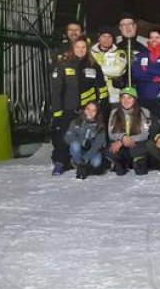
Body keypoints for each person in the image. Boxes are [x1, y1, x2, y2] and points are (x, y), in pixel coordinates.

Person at [50, 37, 106, 174]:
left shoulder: (93, 64)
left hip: (88, 110)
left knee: (89, 137)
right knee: (63, 138)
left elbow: (102, 88)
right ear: (72, 48)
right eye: (77, 47)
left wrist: (102, 106)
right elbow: (56, 91)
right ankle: (59, 163)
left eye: (83, 47)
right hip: (68, 109)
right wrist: (57, 113)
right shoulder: (63, 64)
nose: (80, 50)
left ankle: (86, 162)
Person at [107, 87, 152, 176]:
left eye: (129, 98)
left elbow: (145, 134)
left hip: (137, 144)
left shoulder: (144, 112)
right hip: (121, 146)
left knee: (141, 171)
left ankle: (138, 162)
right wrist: (123, 138)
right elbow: (110, 133)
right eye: (123, 97)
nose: (126, 100)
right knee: (109, 149)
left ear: (135, 99)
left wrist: (126, 140)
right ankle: (120, 163)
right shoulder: (114, 112)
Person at [130, 28, 160, 111]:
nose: (154, 40)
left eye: (157, 37)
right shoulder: (140, 55)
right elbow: (136, 75)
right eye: (151, 37)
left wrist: (147, 69)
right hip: (143, 95)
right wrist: (157, 77)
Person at [64, 101, 106, 179]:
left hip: (92, 151)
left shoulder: (100, 126)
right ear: (84, 110)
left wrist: (85, 158)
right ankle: (79, 164)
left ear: (97, 113)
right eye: (88, 109)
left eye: (93, 110)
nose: (90, 112)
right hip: (79, 150)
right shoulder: (76, 122)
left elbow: (98, 145)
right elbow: (67, 137)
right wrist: (82, 142)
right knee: (75, 145)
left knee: (96, 162)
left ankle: (82, 166)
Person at [90, 26, 127, 108]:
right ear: (99, 38)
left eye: (109, 37)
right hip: (95, 95)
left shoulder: (119, 53)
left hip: (113, 96)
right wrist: (109, 72)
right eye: (103, 36)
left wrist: (97, 70)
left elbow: (118, 70)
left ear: (113, 39)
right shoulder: (90, 53)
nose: (106, 39)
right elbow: (87, 71)